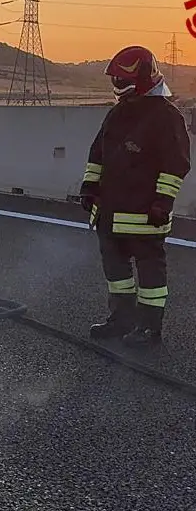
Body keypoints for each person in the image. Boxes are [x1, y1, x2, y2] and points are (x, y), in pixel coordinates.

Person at [79, 44, 191, 349]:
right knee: (116, 272)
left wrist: (162, 202)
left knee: (150, 271)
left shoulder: (166, 117)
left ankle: (148, 328)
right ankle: (121, 320)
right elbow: (97, 155)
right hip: (111, 214)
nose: (116, 86)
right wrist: (89, 188)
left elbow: (176, 164)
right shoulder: (116, 114)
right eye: (114, 80)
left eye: (121, 80)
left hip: (144, 215)